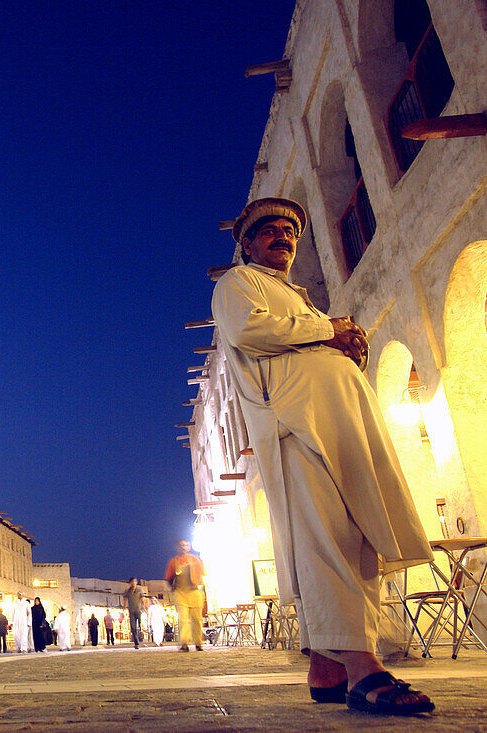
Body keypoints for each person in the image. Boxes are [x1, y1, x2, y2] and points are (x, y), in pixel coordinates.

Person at [211, 197, 434, 715]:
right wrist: (328, 331)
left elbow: (307, 343)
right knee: (326, 539)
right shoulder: (238, 285)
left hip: (331, 425)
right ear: (247, 243)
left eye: (289, 231)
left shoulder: (299, 298)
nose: (281, 238)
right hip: (296, 427)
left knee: (350, 538)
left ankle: (328, 669)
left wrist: (342, 346)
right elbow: (249, 330)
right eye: (268, 231)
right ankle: (364, 670)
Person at [165, 541, 204, 652]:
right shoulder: (174, 562)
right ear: (177, 547)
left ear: (189, 547)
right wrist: (173, 590)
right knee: (183, 619)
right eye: (181, 545)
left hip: (194, 592)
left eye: (186, 545)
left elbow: (202, 574)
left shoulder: (196, 559)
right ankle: (184, 643)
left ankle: (198, 643)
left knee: (196, 619)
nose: (184, 547)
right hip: (181, 593)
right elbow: (169, 578)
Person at [124, 578, 143, 649]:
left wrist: (144, 606)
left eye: (134, 582)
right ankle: (136, 642)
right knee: (133, 627)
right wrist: (124, 608)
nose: (133, 583)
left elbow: (142, 599)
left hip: (138, 610)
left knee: (140, 625)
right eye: (132, 582)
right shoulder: (127, 592)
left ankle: (141, 633)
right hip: (131, 611)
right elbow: (125, 600)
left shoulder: (139, 590)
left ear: (136, 582)